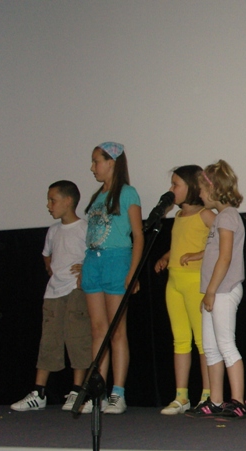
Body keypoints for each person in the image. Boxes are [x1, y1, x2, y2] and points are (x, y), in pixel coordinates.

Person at [11, 181, 92, 412]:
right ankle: (39, 392)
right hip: (54, 292)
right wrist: (50, 267)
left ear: (68, 201)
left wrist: (85, 268)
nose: (48, 205)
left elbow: (95, 254)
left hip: (76, 290)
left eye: (52, 200)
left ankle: (77, 390)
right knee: (49, 340)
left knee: (77, 338)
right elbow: (46, 253)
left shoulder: (84, 228)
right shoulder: (53, 230)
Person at [82, 142, 143, 414]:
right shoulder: (97, 196)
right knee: (98, 330)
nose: (92, 167)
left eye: (96, 161)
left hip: (117, 260)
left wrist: (132, 271)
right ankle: (99, 392)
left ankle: (118, 393)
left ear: (112, 163)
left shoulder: (128, 193)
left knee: (117, 330)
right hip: (93, 261)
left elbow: (138, 235)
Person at [188, 160, 246, 419]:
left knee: (225, 344)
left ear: (215, 189)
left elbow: (225, 257)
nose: (200, 194)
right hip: (214, 291)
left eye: (202, 189)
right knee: (210, 348)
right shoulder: (220, 218)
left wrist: (211, 291)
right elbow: (215, 253)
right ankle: (215, 400)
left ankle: (238, 401)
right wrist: (208, 291)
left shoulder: (228, 216)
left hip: (224, 290)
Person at [154, 165, 215, 415]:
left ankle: (208, 394)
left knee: (202, 341)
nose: (171, 189)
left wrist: (199, 254)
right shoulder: (178, 216)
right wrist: (167, 256)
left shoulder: (206, 215)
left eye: (175, 184)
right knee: (180, 340)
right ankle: (181, 396)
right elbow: (181, 243)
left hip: (195, 283)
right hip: (174, 283)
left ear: (192, 187)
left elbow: (223, 243)